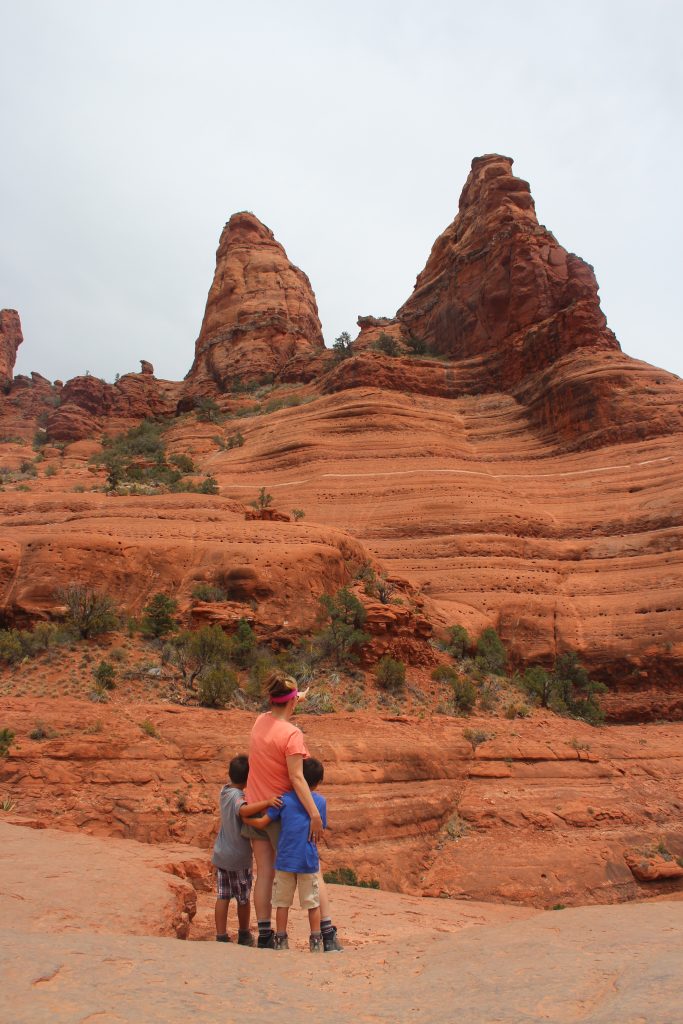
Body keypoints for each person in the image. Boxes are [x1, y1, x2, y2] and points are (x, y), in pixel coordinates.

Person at [242, 671, 343, 952]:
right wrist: (313, 814)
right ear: (292, 703)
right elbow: (297, 778)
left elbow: (283, 700)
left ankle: (265, 935)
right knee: (314, 871)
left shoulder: (260, 721)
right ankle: (327, 934)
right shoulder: (292, 735)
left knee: (264, 873)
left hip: (257, 802)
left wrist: (297, 695)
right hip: (284, 812)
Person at [246, 757, 327, 951]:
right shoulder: (320, 802)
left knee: (282, 903)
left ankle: (281, 938)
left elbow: (264, 822)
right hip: (307, 860)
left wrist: (245, 818)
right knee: (312, 903)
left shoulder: (284, 799)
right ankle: (316, 939)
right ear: (319, 781)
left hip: (284, 860)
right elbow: (320, 827)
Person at [211, 753, 282, 945]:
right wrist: (266, 802)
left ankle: (221, 935)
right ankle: (243, 933)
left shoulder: (224, 791)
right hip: (238, 856)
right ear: (248, 778)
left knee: (222, 896)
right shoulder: (238, 797)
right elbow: (242, 810)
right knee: (243, 898)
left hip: (221, 853)